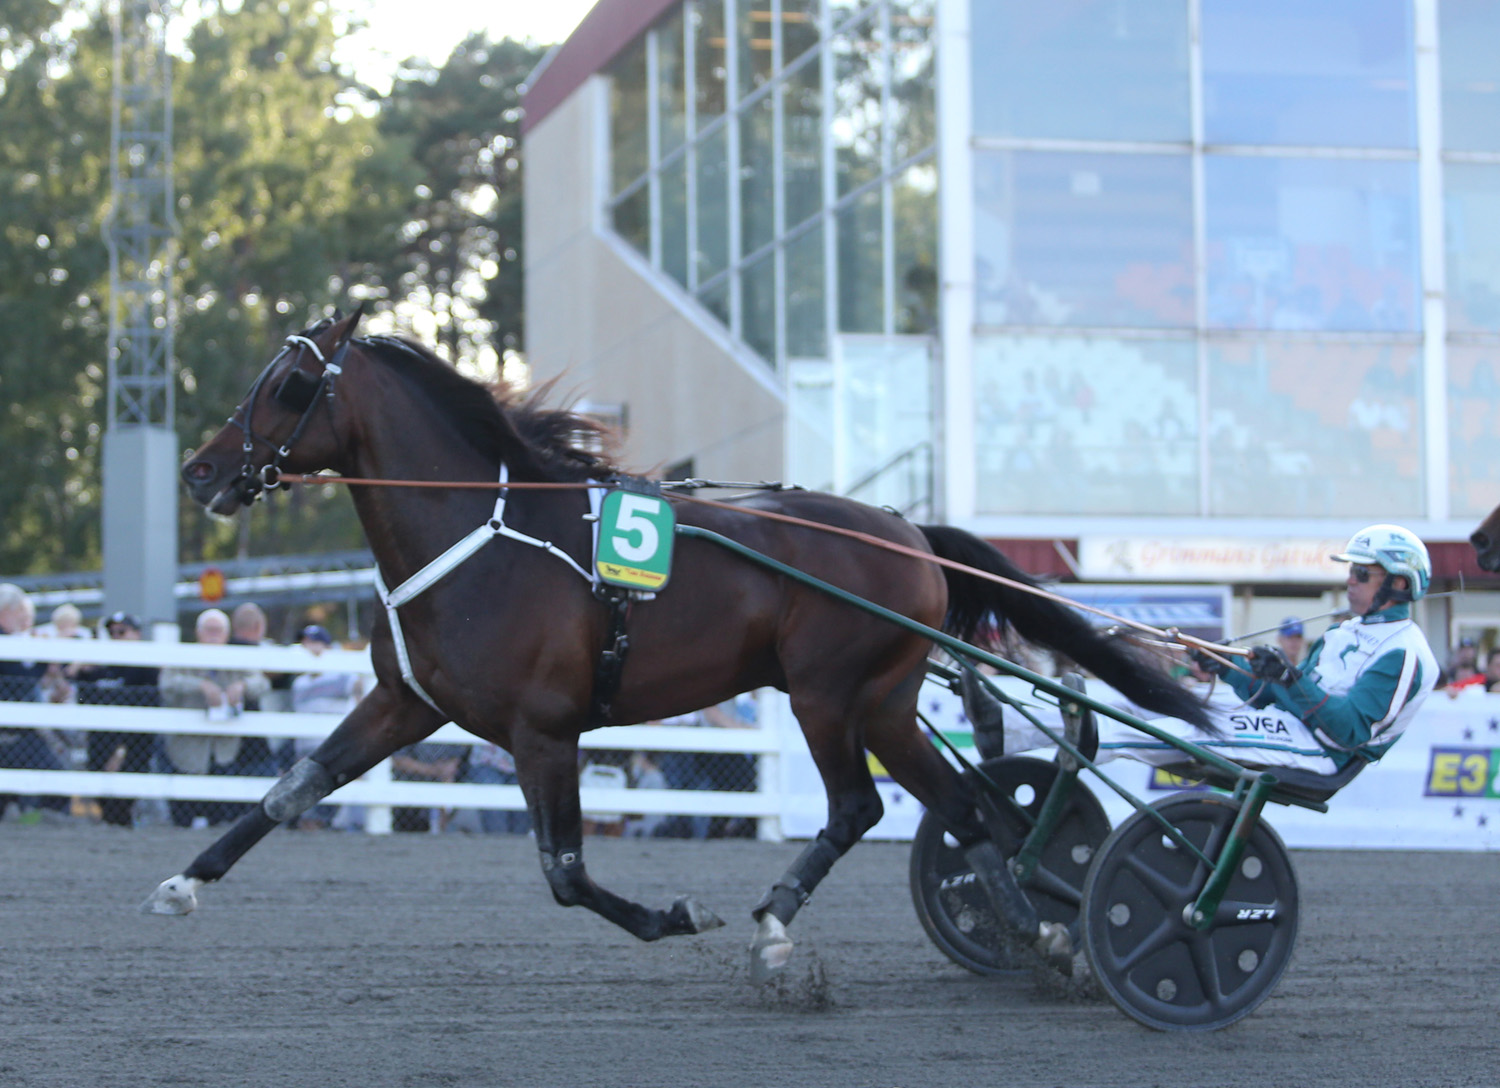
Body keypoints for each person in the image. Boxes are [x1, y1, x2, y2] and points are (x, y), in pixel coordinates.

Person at [972, 524, 1438, 777]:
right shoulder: (1343, 633)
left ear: (1398, 584)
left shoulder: (1406, 654)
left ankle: (1081, 742)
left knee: (1181, 728)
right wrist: (1225, 668)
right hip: (1287, 727)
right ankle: (1008, 729)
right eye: (1351, 571)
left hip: (1316, 753)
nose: (1349, 580)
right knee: (1150, 698)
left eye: (1361, 573)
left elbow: (1349, 733)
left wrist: (1291, 677)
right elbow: (1268, 699)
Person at [158, 607, 269, 827]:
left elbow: (261, 683)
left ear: (227, 634)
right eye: (209, 630)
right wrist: (200, 686)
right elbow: (166, 684)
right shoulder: (183, 657)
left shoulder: (237, 659)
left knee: (220, 813)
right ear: (198, 633)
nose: (213, 634)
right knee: (184, 810)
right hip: (187, 748)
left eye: (218, 630)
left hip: (224, 747)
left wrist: (242, 686)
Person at [73, 612, 160, 826]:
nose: (116, 636)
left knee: (124, 795)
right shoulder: (102, 670)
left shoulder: (146, 669)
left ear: (137, 634)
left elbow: (147, 709)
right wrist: (78, 669)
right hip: (102, 746)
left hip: (133, 746)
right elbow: (81, 695)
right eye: (112, 633)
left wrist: (120, 751)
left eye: (122, 632)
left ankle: (122, 823)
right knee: (103, 791)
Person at [0, 583, 70, 822]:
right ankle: (30, 824)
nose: (23, 618)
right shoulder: (5, 642)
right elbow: (16, 682)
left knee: (48, 784)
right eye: (19, 611)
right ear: (5, 611)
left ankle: (28, 824)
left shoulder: (14, 642)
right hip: (11, 735)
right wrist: (43, 662)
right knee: (53, 782)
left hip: (19, 734)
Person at [286, 624, 361, 830]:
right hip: (305, 755)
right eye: (305, 643)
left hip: (334, 752)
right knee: (308, 814)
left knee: (329, 811)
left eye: (314, 642)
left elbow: (360, 687)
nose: (308, 647)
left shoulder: (338, 675)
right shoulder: (299, 683)